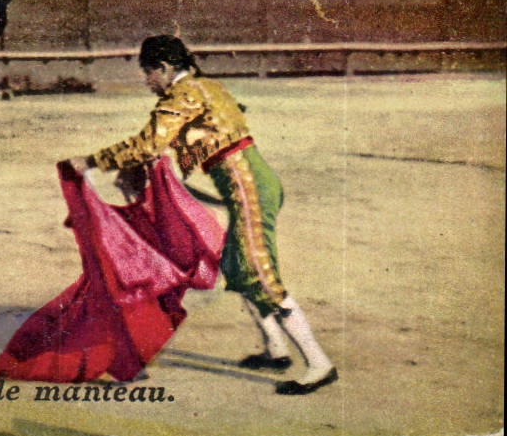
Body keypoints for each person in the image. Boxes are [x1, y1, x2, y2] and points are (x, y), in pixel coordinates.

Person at [65, 35, 338, 395]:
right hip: (252, 182)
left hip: (248, 187)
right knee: (237, 268)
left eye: (148, 73)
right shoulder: (205, 86)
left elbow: (148, 143)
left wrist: (91, 161)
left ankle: (319, 364)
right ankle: (276, 348)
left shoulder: (183, 94)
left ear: (163, 68)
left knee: (259, 272)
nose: (148, 81)